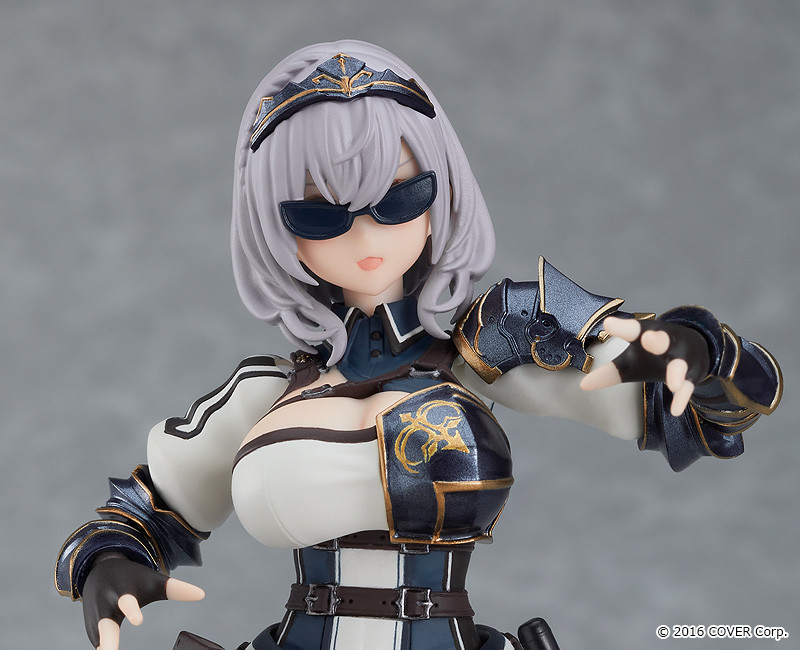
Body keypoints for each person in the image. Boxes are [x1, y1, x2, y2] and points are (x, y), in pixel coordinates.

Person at [55, 40, 782, 650]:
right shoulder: (266, 394)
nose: (366, 235)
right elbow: (141, 514)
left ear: (440, 193)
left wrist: (698, 353)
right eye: (320, 214)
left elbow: (714, 411)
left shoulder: (488, 344)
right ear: (277, 229)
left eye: (400, 197)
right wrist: (108, 568)